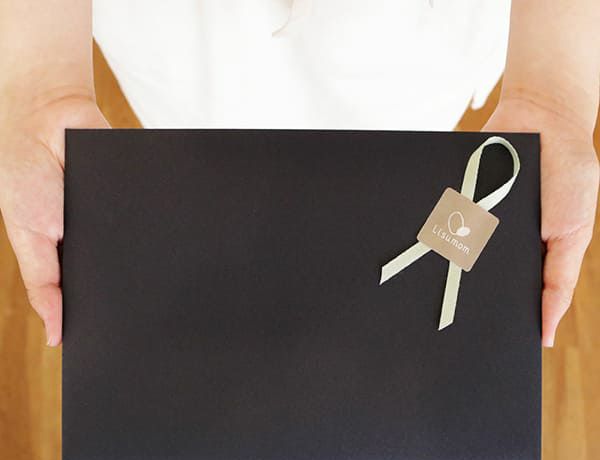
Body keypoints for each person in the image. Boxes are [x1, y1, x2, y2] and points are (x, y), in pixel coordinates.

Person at [0, 1, 598, 348]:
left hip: (414, 45)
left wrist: (555, 88)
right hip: (183, 36)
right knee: (199, 119)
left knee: (399, 136)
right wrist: (41, 80)